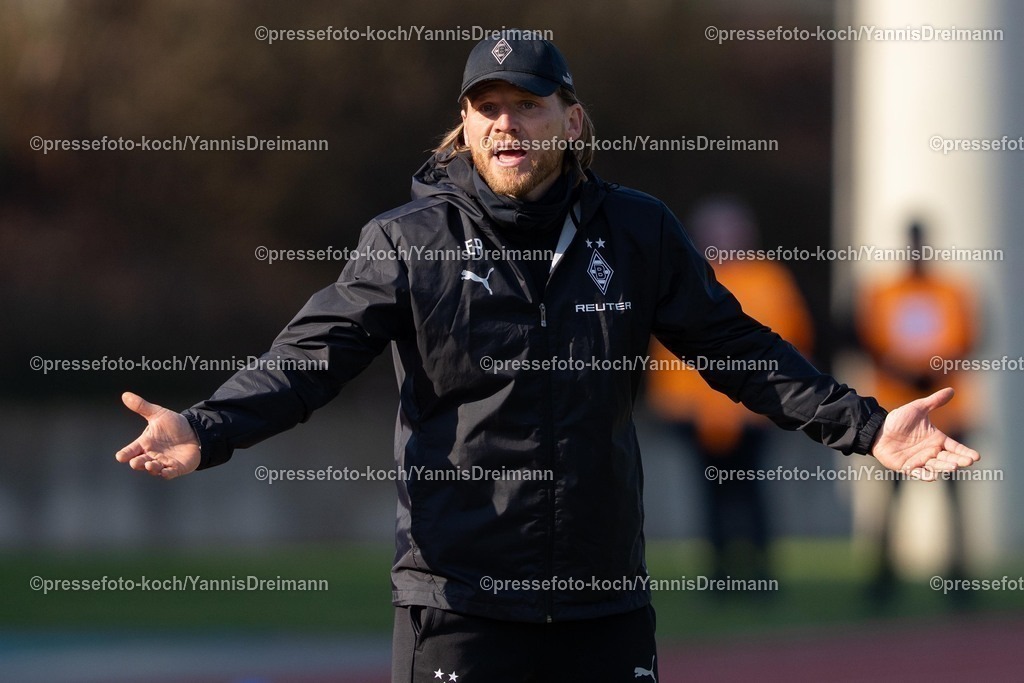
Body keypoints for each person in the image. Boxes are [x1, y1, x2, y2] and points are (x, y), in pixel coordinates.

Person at [115, 35, 980, 683]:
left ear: (571, 118)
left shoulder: (637, 231)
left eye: (526, 105)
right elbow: (309, 359)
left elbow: (737, 348)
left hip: (603, 601)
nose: (506, 125)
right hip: (457, 604)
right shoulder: (405, 241)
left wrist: (867, 428)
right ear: (463, 126)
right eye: (487, 108)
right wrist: (206, 425)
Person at [646, 197, 814, 587]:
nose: (723, 238)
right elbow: (666, 348)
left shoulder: (769, 279)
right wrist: (673, 404)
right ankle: (720, 574)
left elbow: (793, 340)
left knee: (753, 491)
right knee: (711, 493)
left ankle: (759, 573)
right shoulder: (686, 274)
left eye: (730, 229)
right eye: (715, 229)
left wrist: (792, 399)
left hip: (757, 409)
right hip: (697, 414)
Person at [855, 221, 978, 603]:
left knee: (954, 501)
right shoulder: (884, 291)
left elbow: (969, 337)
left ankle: (958, 578)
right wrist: (906, 371)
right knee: (890, 502)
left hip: (947, 414)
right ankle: (883, 578)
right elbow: (868, 339)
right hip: (897, 416)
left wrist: (930, 370)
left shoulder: (952, 289)